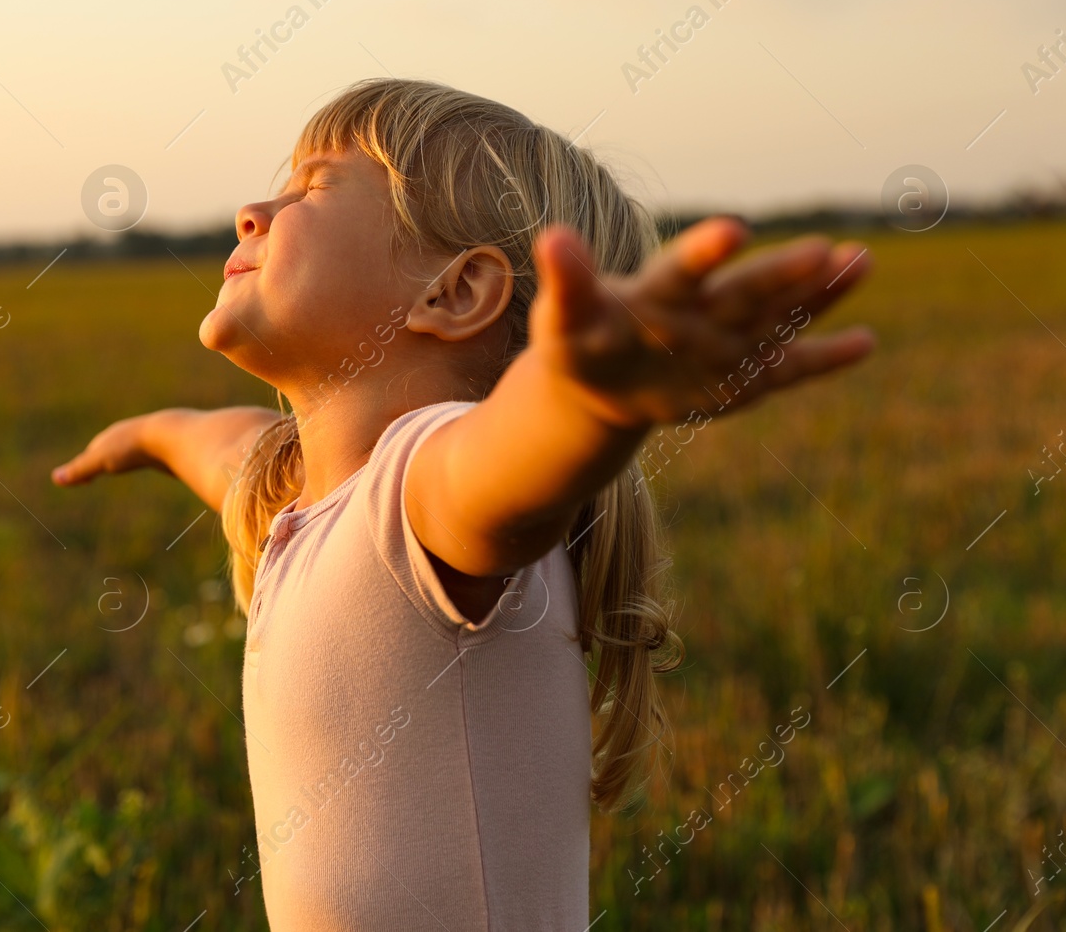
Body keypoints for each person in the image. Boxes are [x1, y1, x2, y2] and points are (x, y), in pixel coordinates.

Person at [53, 78, 874, 928]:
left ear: (454, 292)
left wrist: (591, 401)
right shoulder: (307, 498)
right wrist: (149, 433)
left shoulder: (427, 492)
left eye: (316, 185)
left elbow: (509, 457)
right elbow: (227, 448)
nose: (253, 209)